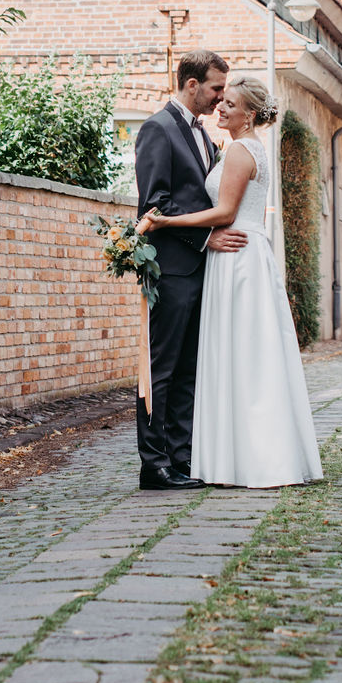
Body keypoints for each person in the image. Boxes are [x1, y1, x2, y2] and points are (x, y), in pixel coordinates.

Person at [143, 74, 323, 488]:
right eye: (220, 101)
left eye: (230, 104)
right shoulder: (241, 147)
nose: (220, 108)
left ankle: (251, 458)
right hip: (241, 254)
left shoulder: (242, 150)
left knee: (243, 357)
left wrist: (166, 220)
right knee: (247, 355)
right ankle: (240, 455)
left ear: (250, 114)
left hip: (237, 258)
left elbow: (225, 212)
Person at [133, 49, 247, 491]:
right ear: (192, 84)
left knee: (189, 370)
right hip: (172, 270)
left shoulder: (202, 134)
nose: (221, 98)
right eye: (217, 88)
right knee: (160, 369)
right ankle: (154, 464)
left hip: (202, 271)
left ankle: (182, 457)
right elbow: (154, 204)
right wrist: (204, 238)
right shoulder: (157, 129)